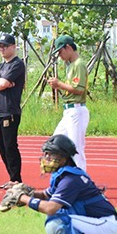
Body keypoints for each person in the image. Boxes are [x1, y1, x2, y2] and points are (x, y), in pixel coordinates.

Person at [2, 134, 117, 234]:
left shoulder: (70, 179)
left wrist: (21, 197)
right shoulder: (65, 174)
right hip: (99, 223)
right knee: (59, 216)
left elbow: (50, 208)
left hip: (106, 227)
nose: (46, 157)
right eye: (45, 154)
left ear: (64, 157)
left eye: (51, 154)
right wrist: (25, 192)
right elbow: (45, 195)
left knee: (56, 222)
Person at [0, 33, 26, 184]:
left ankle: (16, 179)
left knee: (10, 147)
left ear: (13, 47)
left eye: (4, 46)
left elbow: (1, 84)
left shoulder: (17, 64)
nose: (1, 49)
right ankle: (11, 177)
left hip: (10, 112)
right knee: (2, 148)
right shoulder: (0, 66)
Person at [47, 35, 89, 170]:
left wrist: (59, 84)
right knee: (55, 142)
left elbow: (79, 89)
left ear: (68, 47)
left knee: (76, 147)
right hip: (69, 111)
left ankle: (82, 177)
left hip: (76, 110)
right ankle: (63, 173)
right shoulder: (70, 66)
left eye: (60, 52)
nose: (60, 56)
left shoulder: (79, 64)